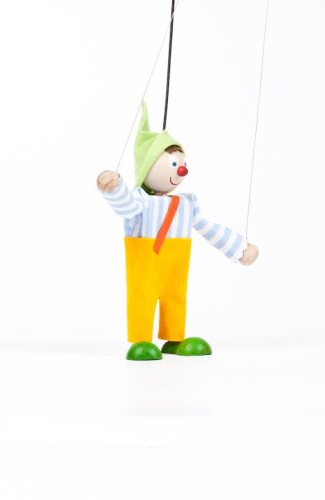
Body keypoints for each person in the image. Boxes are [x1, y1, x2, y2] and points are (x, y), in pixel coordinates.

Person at [97, 103, 258, 360]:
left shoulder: (186, 203)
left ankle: (174, 338)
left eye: (182, 163)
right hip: (146, 261)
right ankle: (141, 340)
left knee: (175, 297)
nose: (181, 170)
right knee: (142, 297)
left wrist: (239, 248)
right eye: (173, 163)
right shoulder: (141, 200)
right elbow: (126, 207)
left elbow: (208, 227)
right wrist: (115, 189)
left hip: (176, 263)